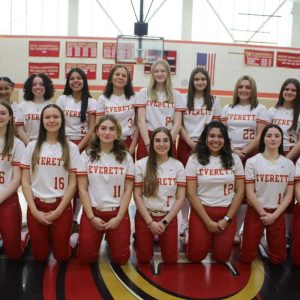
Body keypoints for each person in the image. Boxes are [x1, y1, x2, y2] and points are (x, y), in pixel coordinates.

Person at [20, 104, 80, 261]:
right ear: (42, 121)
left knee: (62, 256)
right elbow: (25, 182)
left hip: (61, 205)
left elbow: (73, 184)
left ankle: (74, 238)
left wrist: (59, 211)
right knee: (39, 256)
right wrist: (33, 210)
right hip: (37, 205)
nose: (51, 120)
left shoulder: (71, 148)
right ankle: (29, 233)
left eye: (56, 117)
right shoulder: (32, 146)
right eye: (47, 117)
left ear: (62, 120)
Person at [77, 115, 134, 264]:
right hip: (94, 212)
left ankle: (112, 236)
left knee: (121, 259)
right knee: (85, 259)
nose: (107, 132)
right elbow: (82, 188)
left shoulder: (126, 157)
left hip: (117, 213)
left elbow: (128, 189)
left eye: (111, 129)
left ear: (117, 133)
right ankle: (83, 236)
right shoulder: (86, 155)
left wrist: (119, 217)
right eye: (103, 128)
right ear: (97, 131)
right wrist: (91, 217)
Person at [185, 121, 244, 263]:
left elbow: (240, 192)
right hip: (202, 212)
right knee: (196, 257)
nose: (216, 140)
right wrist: (208, 222)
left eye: (220, 136)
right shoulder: (194, 159)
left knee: (222, 258)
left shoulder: (234, 159)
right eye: (211, 136)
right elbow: (191, 194)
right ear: (205, 138)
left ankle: (209, 239)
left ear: (225, 140)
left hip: (226, 212)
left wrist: (227, 219)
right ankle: (193, 235)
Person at [221, 75, 268, 244]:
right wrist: (233, 150)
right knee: (229, 192)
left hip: (251, 156)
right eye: (241, 87)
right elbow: (222, 133)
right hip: (229, 154)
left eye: (248, 87)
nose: (244, 90)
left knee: (246, 195)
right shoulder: (227, 108)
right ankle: (226, 226)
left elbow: (261, 134)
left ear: (253, 90)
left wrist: (245, 151)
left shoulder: (260, 109)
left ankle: (238, 229)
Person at [240, 124, 294, 265]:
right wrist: (263, 214)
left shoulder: (288, 164)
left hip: (277, 212)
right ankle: (255, 242)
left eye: (277, 136)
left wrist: (274, 216)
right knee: (246, 258)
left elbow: (289, 195)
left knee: (279, 260)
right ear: (263, 139)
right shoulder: (253, 162)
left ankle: (264, 243)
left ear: (282, 140)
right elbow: (249, 193)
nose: (273, 139)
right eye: (269, 136)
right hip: (256, 211)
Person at [178, 67, 222, 236]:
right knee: (184, 185)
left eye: (203, 79)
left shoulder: (214, 100)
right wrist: (190, 142)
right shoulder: (183, 99)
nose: (200, 82)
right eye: (196, 79)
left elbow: (216, 126)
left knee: (201, 184)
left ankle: (202, 219)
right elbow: (179, 124)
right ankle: (184, 222)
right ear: (192, 81)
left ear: (207, 81)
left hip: (207, 145)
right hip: (185, 143)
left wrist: (203, 143)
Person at [134, 127, 186, 264]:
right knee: (144, 259)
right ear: (151, 143)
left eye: (165, 140)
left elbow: (180, 198)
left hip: (168, 218)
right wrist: (150, 222)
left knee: (171, 260)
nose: (161, 144)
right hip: (146, 217)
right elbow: (137, 196)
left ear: (171, 143)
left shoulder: (178, 165)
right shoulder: (140, 164)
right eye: (157, 140)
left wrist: (164, 222)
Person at [56, 68, 97, 227]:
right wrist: (66, 145)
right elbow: (57, 124)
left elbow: (92, 128)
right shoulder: (62, 100)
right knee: (66, 181)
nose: (75, 81)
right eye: (72, 78)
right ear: (68, 82)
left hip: (83, 144)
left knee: (80, 183)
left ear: (84, 81)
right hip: (63, 143)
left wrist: (79, 147)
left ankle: (74, 219)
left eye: (78, 78)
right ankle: (63, 214)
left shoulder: (91, 102)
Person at [136, 59, 184, 160]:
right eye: (156, 71)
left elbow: (177, 124)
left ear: (168, 73)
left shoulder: (177, 95)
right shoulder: (144, 92)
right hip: (148, 137)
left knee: (167, 173)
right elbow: (141, 121)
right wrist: (148, 145)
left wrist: (167, 142)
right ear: (152, 74)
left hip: (169, 137)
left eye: (163, 71)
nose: (159, 74)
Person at [0, 101, 27, 259]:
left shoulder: (17, 144)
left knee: (14, 255)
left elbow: (17, 179)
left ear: (10, 117)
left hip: (7, 197)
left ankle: (24, 235)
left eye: (3, 113)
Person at [96, 65, 138, 157]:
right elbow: (98, 125)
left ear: (127, 80)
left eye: (124, 76)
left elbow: (138, 125)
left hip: (128, 141)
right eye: (117, 74)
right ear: (111, 78)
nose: (120, 77)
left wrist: (132, 147)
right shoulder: (103, 99)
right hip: (108, 141)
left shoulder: (134, 98)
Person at [16, 73, 54, 144]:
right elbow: (20, 130)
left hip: (47, 143)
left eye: (42, 84)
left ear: (47, 87)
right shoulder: (22, 106)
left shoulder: (52, 106)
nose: (38, 87)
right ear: (30, 87)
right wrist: (30, 145)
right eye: (34, 84)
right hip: (27, 143)